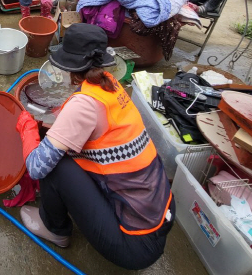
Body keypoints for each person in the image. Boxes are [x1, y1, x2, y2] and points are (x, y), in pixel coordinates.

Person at [16, 23, 174, 270]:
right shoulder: (110, 84)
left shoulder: (83, 105)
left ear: (69, 67)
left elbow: (36, 168)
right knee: (65, 148)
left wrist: (27, 130)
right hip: (160, 214)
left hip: (133, 245)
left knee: (55, 165)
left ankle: (54, 228)